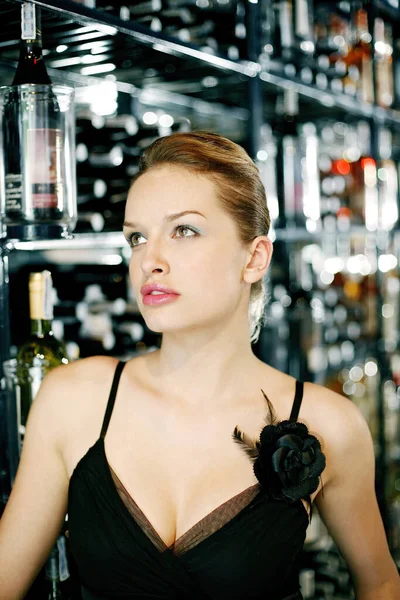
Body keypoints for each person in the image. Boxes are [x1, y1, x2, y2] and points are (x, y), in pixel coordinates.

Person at [0, 131, 398, 600]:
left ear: (254, 257)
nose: (151, 259)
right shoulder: (74, 399)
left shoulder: (331, 424)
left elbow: (381, 583)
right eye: (137, 237)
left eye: (184, 230)